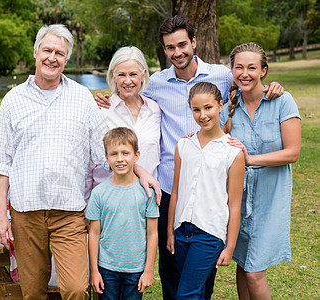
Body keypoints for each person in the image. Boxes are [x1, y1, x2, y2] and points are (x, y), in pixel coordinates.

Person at [95, 15, 284, 299]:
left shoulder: (221, 75)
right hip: (169, 189)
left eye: (182, 44)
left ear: (194, 42)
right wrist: (101, 97)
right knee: (171, 265)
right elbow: (127, 90)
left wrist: (273, 87)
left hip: (210, 189)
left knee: (201, 269)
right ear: (164, 50)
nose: (177, 52)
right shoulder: (156, 83)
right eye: (170, 47)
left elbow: (250, 79)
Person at [0, 24, 110, 300]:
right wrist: (0, 215)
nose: (52, 58)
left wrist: (136, 167)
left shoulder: (82, 98)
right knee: (32, 292)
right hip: (26, 211)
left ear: (66, 59)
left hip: (69, 211)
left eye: (59, 53)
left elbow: (104, 153)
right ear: (35, 52)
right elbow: (2, 162)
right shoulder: (12, 100)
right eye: (47, 50)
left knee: (76, 289)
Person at [220, 42, 301, 299]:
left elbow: (293, 152)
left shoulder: (282, 102)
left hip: (270, 199)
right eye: (239, 67)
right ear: (231, 70)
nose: (245, 73)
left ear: (263, 71)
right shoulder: (227, 109)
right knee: (244, 264)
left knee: (255, 273)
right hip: (238, 201)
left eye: (252, 68)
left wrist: (250, 159)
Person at [166, 82, 245, 299]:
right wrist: (171, 230)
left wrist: (229, 247)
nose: (203, 115)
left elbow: (234, 204)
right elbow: (176, 192)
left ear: (220, 105)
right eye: (196, 109)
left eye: (208, 108)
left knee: (186, 294)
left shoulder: (232, 152)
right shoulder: (183, 146)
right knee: (200, 291)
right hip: (182, 231)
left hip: (210, 234)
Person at [86, 127, 159, 299]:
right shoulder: (99, 193)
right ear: (106, 158)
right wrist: (94, 271)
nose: (120, 159)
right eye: (114, 154)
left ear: (137, 155)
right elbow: (94, 233)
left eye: (125, 153)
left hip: (136, 269)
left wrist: (148, 270)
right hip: (106, 268)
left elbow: (153, 233)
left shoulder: (147, 193)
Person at [86, 46, 161, 194]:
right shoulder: (101, 110)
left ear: (143, 74)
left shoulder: (155, 109)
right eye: (121, 75)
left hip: (147, 199)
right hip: (109, 200)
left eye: (133, 74)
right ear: (113, 75)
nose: (128, 81)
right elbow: (89, 164)